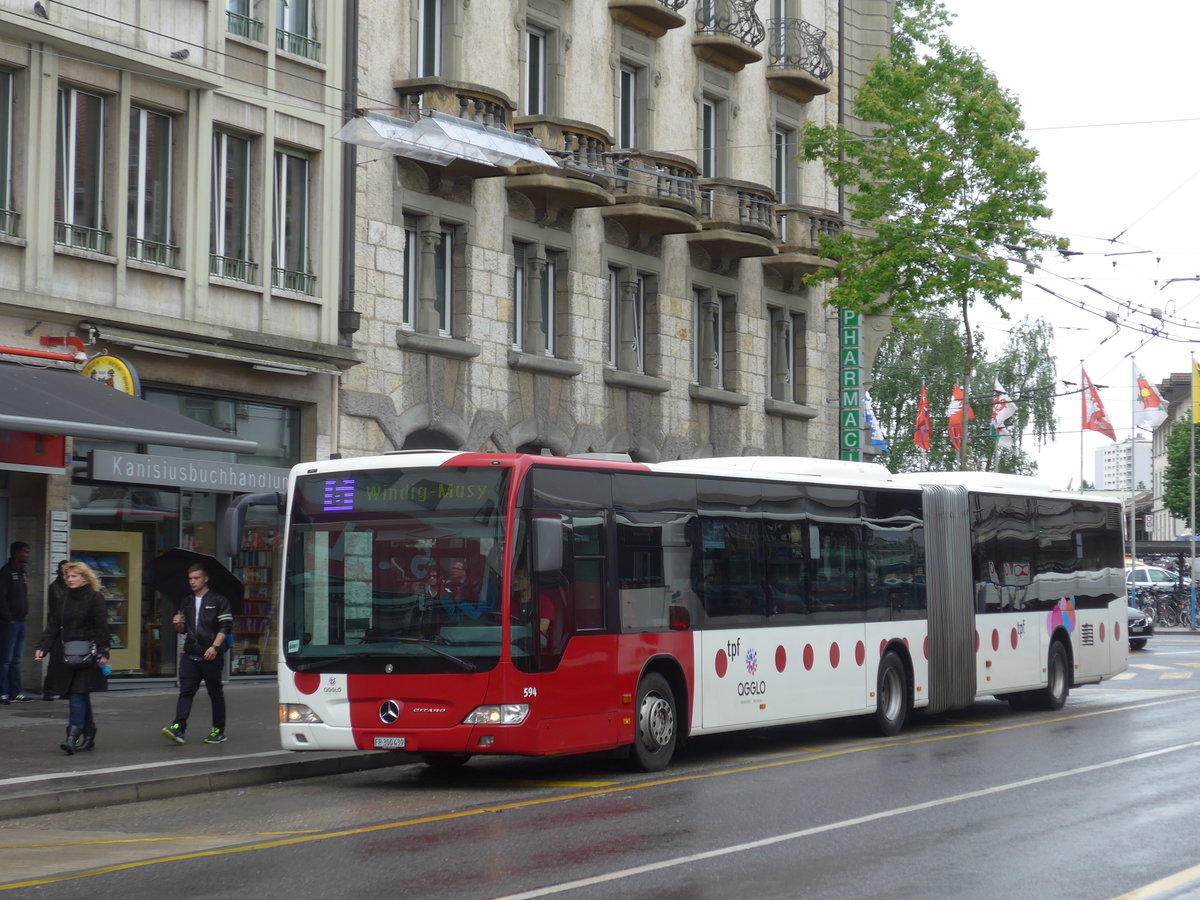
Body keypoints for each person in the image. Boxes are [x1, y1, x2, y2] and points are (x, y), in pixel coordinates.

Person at [34, 561, 109, 753]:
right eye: (68, 576)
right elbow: (53, 625)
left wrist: (103, 652)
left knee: (77, 695)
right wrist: (43, 648)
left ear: (84, 578)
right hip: (68, 655)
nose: (70, 579)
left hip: (88, 655)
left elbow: (101, 627)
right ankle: (89, 734)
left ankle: (72, 737)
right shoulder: (64, 599)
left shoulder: (95, 598)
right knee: (80, 695)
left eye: (74, 576)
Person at [162, 563, 233, 745]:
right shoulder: (186, 601)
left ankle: (218, 731)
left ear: (205, 579)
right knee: (185, 691)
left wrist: (215, 648)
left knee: (215, 693)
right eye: (190, 579)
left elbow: (225, 627)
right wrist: (177, 624)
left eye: (196, 578)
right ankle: (178, 727)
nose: (192, 582)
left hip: (210, 655)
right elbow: (184, 629)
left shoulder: (219, 600)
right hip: (190, 654)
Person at [0, 541, 32, 704]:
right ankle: (3, 692)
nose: (27, 555)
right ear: (16, 553)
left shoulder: (22, 572)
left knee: (17, 659)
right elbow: (2, 597)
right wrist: (9, 618)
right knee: (5, 659)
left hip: (21, 621)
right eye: (25, 552)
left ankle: (16, 691)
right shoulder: (6, 572)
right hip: (9, 623)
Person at [42, 560, 70, 700]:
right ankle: (49, 690)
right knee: (55, 661)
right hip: (58, 628)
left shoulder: (71, 586)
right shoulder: (55, 587)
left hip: (70, 628)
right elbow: (59, 608)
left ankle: (65, 690)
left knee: (68, 660)